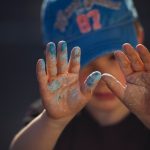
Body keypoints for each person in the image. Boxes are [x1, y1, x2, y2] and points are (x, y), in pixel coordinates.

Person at [10, 0, 150, 150]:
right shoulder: (51, 117)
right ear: (54, 61)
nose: (102, 76)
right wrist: (54, 122)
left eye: (114, 57)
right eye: (82, 60)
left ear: (139, 37)